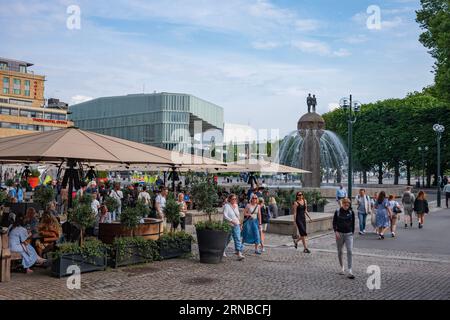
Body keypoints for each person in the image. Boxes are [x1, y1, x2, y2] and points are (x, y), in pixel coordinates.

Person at [333, 198, 355, 279]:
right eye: (345, 204)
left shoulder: (351, 212)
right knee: (340, 251)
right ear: (342, 204)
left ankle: (350, 270)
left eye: (348, 204)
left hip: (349, 234)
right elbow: (334, 222)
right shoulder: (338, 211)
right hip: (339, 234)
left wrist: (352, 233)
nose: (346, 205)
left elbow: (353, 223)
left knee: (350, 251)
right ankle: (342, 268)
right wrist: (336, 231)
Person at [223, 194, 244, 260]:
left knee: (237, 238)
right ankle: (222, 249)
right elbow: (225, 216)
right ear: (229, 199)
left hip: (236, 224)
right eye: (233, 199)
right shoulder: (227, 206)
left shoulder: (236, 205)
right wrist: (231, 221)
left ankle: (239, 253)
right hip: (229, 225)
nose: (234, 200)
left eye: (235, 199)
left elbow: (238, 216)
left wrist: (240, 224)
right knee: (228, 239)